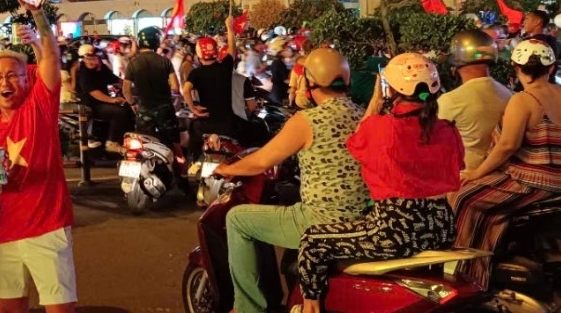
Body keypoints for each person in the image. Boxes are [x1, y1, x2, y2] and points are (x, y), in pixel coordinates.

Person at [296, 53, 463, 313]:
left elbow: (355, 144)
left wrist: (376, 100)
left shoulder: (382, 128)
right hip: (442, 225)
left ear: (390, 89)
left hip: (396, 228)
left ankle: (310, 309)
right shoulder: (447, 130)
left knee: (311, 241)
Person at [215, 47, 369, 313]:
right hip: (362, 219)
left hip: (319, 220)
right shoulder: (363, 114)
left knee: (237, 219)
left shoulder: (308, 120)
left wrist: (228, 169)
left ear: (309, 82)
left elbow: (263, 160)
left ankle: (247, 308)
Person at [0, 0, 77, 313]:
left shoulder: (39, 107)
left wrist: (38, 16)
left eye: (13, 75)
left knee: (59, 308)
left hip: (49, 227)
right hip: (6, 230)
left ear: (26, 79)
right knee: (9, 306)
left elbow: (51, 59)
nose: (5, 81)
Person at [452, 39, 561, 288]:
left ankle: (470, 274)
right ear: (551, 67)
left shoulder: (524, 100)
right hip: (555, 179)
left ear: (515, 66)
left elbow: (507, 146)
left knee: (463, 198)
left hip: (532, 181)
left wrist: (476, 172)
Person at [438, 30, 511, 172]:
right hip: (501, 169)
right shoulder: (507, 93)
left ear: (456, 64)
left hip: (465, 175)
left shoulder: (450, 101)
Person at [183, 24, 247, 157]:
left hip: (205, 123)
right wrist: (230, 27)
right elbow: (232, 48)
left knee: (193, 147)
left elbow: (186, 90)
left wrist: (193, 108)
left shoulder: (196, 73)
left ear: (199, 54)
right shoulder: (225, 67)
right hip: (227, 123)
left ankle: (192, 167)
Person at [123, 27, 181, 162]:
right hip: (164, 109)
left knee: (142, 145)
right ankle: (182, 176)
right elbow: (175, 87)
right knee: (175, 145)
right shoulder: (164, 61)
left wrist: (133, 104)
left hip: (144, 111)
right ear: (156, 41)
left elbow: (126, 90)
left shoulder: (133, 63)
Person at [74, 44, 132, 153]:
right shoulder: (83, 72)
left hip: (102, 102)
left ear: (99, 59)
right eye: (87, 58)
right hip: (91, 105)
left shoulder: (102, 68)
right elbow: (93, 92)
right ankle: (112, 142)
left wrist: (131, 85)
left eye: (93, 58)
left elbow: (116, 80)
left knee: (128, 107)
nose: (90, 61)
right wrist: (112, 100)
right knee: (119, 112)